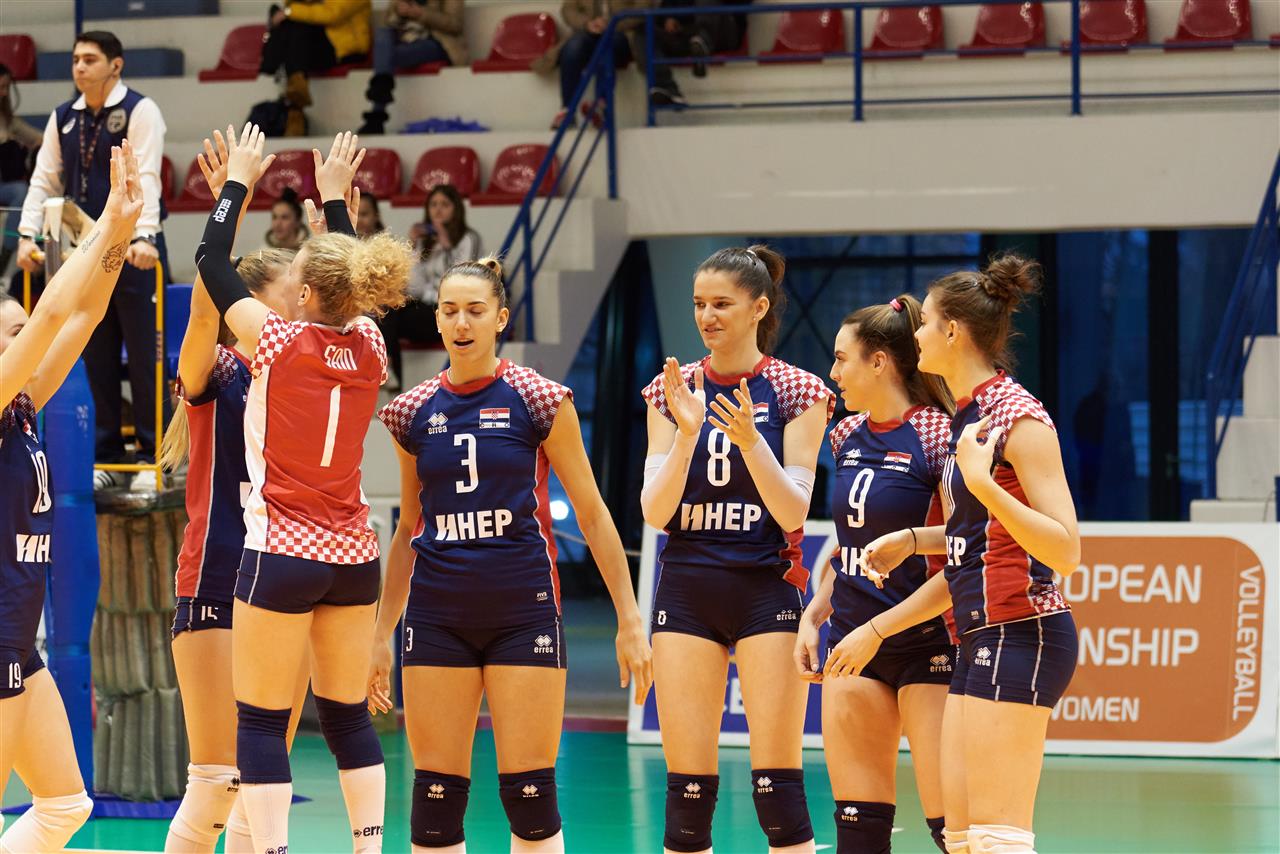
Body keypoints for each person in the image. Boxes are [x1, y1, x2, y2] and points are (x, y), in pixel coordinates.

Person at [369, 256, 652, 853]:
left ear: (500, 318)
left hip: (523, 614)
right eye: (450, 310)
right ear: (437, 320)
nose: (461, 323)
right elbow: (408, 528)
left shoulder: (540, 398)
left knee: (530, 799)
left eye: (475, 311)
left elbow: (594, 513)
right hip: (436, 618)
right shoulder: (409, 410)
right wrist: (379, 636)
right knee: (434, 804)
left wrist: (629, 618)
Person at [194, 126, 413, 853]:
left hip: (281, 550)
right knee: (347, 715)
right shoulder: (372, 347)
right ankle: (369, 846)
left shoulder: (277, 341)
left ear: (308, 293)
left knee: (260, 720)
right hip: (353, 555)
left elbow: (209, 260)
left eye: (297, 279)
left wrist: (238, 182)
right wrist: (335, 198)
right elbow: (355, 284)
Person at [848, 255, 1081, 854]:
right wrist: (915, 539)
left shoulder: (1018, 417)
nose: (917, 334)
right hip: (977, 634)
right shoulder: (968, 415)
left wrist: (981, 483)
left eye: (925, 322)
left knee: (999, 838)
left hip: (1022, 630)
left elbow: (1065, 548)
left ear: (952, 331)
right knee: (961, 838)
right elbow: (978, 538)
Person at [640, 245, 832, 854]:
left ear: (759, 308)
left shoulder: (798, 390)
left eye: (722, 304)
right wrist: (687, 435)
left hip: (765, 590)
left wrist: (751, 442)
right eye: (699, 303)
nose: (707, 316)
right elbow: (654, 512)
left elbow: (793, 512)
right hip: (687, 590)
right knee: (687, 799)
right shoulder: (670, 388)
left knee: (778, 794)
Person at [158, 129, 314, 854]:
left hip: (290, 578)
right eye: (291, 301)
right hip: (218, 573)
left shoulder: (306, 371)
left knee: (265, 785)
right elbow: (200, 306)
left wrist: (334, 217)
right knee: (219, 780)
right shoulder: (219, 372)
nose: (302, 313)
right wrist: (234, 194)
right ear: (246, 305)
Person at [0, 142, 141, 853]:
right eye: (12, 332)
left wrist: (118, 236)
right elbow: (54, 309)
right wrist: (106, 220)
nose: (26, 334)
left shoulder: (22, 405)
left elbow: (82, 317)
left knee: (63, 804)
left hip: (18, 643)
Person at [793, 296, 956, 854]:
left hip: (927, 642)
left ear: (880, 361)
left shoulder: (938, 435)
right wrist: (816, 612)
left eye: (842, 359)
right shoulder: (845, 435)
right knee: (858, 831)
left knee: (952, 829)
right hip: (851, 640)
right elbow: (853, 542)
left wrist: (878, 629)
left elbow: (967, 547)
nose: (833, 372)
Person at [15, 31, 170, 492]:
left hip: (135, 248)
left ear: (115, 65)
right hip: (84, 250)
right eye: (75, 59)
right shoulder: (63, 116)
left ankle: (153, 458)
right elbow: (44, 180)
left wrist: (144, 236)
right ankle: (106, 454)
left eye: (89, 59)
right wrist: (25, 234)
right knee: (92, 350)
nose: (79, 67)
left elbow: (147, 176)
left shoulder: (141, 109)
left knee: (144, 356)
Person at [381, 183, 479, 386]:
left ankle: (389, 372)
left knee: (393, 320)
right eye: (433, 205)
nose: (438, 210)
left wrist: (447, 245)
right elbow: (414, 287)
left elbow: (460, 280)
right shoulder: (427, 242)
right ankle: (390, 371)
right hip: (426, 306)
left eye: (444, 204)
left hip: (450, 310)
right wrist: (412, 247)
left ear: (456, 209)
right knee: (388, 309)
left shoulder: (468, 238)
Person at [534, 0, 653, 131]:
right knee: (572, 47)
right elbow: (568, 10)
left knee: (606, 48)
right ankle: (567, 111)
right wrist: (587, 24)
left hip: (621, 34)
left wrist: (613, 23)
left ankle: (601, 106)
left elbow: (644, 6)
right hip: (587, 32)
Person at [262, 0, 372, 137]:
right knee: (292, 28)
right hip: (319, 45)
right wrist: (288, 11)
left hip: (346, 50)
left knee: (296, 28)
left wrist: (289, 12)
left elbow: (332, 15)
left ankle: (293, 102)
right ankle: (296, 99)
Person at [359, 0, 466, 135]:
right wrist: (398, 12)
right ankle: (380, 95)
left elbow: (455, 25)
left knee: (386, 56)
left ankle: (377, 115)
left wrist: (420, 13)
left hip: (437, 42)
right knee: (382, 33)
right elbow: (388, 20)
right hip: (404, 37)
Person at [649, 0, 754, 106]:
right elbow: (665, 9)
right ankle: (667, 87)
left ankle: (702, 44)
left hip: (723, 31)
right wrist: (668, 18)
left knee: (704, 23)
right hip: (686, 33)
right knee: (645, 31)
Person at [0, 64, 42, 277]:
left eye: (6, 87)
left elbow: (41, 138)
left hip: (4, 185)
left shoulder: (7, 120)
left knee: (21, 191)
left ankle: (4, 258)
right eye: (0, 87)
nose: (4, 93)